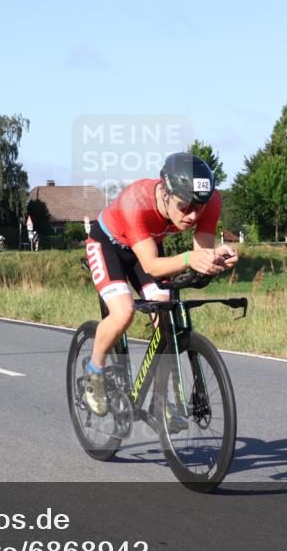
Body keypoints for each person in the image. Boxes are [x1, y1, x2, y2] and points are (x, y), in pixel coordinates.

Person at [81, 152, 238, 416]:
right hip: (108, 245)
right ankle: (94, 372)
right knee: (123, 313)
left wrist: (216, 257)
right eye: (184, 206)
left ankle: (159, 400)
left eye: (199, 207)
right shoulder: (136, 201)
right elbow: (152, 266)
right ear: (165, 193)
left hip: (146, 245)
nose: (192, 215)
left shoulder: (209, 200)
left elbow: (202, 253)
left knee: (166, 318)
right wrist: (189, 258)